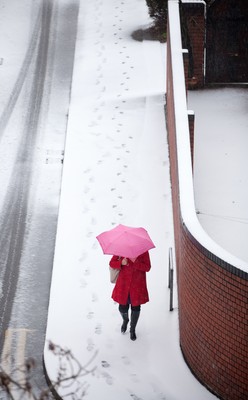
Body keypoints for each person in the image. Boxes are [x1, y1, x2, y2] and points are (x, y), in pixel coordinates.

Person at [109, 251, 151, 341]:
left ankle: (132, 329)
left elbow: (147, 267)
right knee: (122, 308)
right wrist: (121, 263)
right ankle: (125, 320)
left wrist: (135, 262)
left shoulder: (143, 251)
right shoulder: (122, 249)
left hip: (137, 285)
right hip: (123, 284)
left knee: (136, 308)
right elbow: (111, 263)